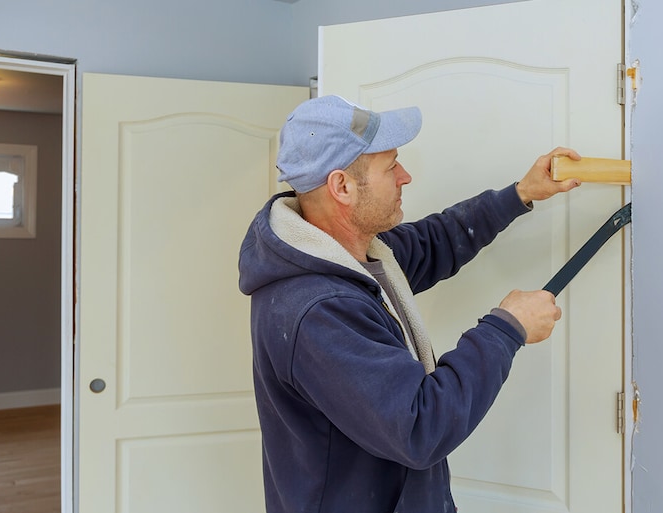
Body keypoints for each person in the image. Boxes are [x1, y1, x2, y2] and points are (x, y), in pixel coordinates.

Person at [238, 94, 581, 513]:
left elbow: (433, 242)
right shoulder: (317, 311)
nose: (406, 176)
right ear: (341, 187)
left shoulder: (355, 256)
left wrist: (522, 193)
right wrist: (507, 328)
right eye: (391, 165)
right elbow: (420, 426)